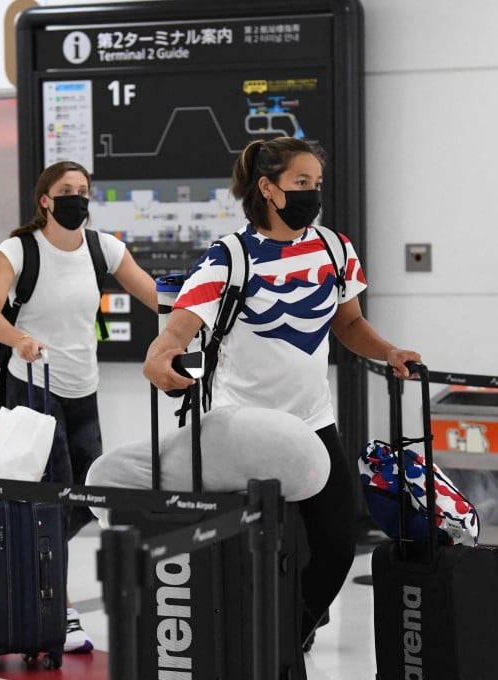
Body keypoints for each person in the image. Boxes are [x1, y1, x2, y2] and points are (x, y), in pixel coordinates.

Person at [142, 136, 421, 649]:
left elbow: (350, 323)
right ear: (267, 189)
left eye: (316, 184)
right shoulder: (230, 257)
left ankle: (286, 637)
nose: (313, 194)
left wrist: (390, 351)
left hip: (313, 424)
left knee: (336, 547)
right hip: (241, 429)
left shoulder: (336, 249)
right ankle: (252, 641)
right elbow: (179, 327)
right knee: (246, 553)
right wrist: (161, 356)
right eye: (300, 184)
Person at [0, 160, 161, 654]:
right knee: (54, 496)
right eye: (66, 190)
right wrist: (20, 339)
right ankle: (58, 606)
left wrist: (202, 309)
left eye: (83, 190)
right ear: (45, 200)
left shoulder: (104, 248)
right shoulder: (18, 251)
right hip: (33, 386)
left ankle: (26, 573)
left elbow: (154, 295)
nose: (77, 198)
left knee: (84, 495)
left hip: (83, 387)